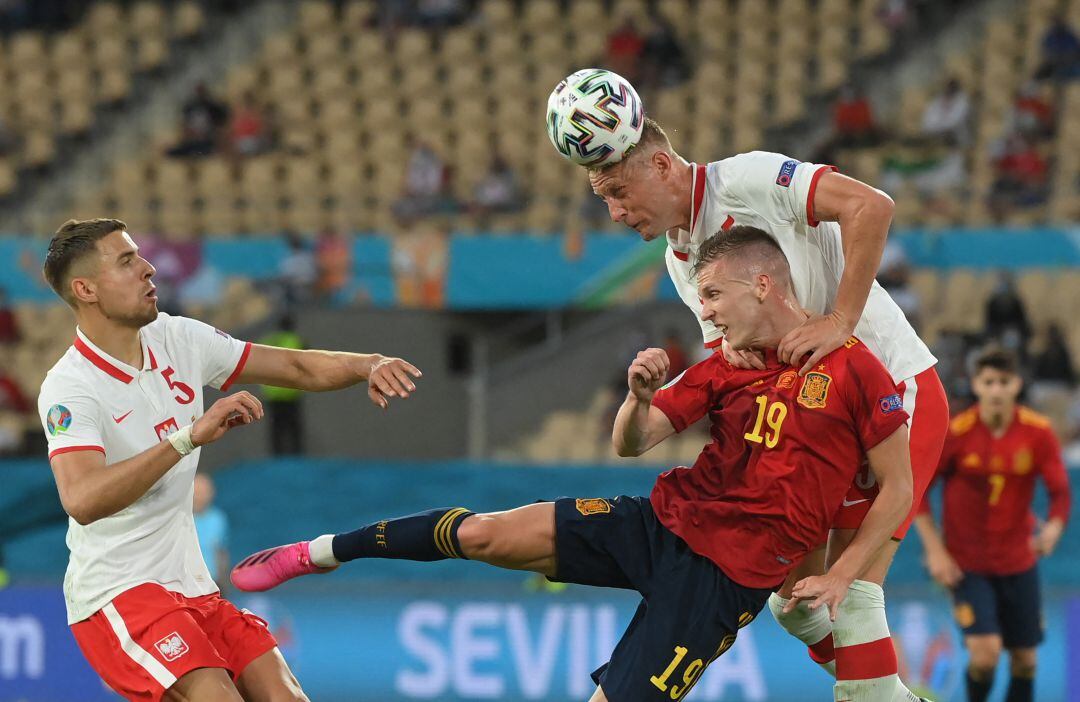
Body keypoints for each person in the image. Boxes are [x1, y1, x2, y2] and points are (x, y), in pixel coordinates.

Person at [231, 227, 920, 702]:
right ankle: (320, 552)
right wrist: (638, 395)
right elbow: (633, 442)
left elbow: (899, 486)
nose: (705, 314)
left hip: (720, 587)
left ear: (763, 284)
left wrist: (838, 574)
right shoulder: (722, 366)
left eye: (712, 296)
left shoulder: (851, 367)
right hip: (659, 525)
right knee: (485, 533)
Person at [586, 116, 949, 692]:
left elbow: (871, 207)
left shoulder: (747, 180)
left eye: (618, 193)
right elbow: (742, 375)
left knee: (851, 594)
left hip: (889, 397)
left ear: (659, 165)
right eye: (604, 199)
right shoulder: (682, 263)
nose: (616, 213)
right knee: (795, 604)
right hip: (816, 426)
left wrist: (841, 322)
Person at [37, 218, 422, 702]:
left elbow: (294, 366)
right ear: (86, 289)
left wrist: (368, 363)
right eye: (127, 261)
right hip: (117, 593)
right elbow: (83, 498)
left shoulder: (178, 338)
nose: (149, 268)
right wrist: (187, 438)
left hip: (194, 587)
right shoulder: (71, 387)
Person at [914, 346, 1070, 702]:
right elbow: (919, 492)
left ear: (1017, 384)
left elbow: (1061, 494)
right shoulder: (956, 431)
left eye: (1003, 381)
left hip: (1019, 563)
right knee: (985, 655)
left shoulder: (1038, 432)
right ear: (976, 385)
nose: (996, 389)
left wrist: (1053, 530)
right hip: (968, 566)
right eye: (988, 382)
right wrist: (936, 552)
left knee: (1026, 660)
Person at [258, 315, 305, 455]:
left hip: (272, 394)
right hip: (291, 393)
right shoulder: (296, 341)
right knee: (294, 427)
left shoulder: (268, 341)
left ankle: (277, 457)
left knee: (276, 428)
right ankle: (296, 457)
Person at [194, 473, 230, 587]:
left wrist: (224, 583)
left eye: (204, 492)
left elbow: (221, 551)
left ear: (211, 493)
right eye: (197, 492)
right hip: (186, 583)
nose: (200, 497)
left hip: (211, 582)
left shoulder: (218, 518)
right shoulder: (179, 519)